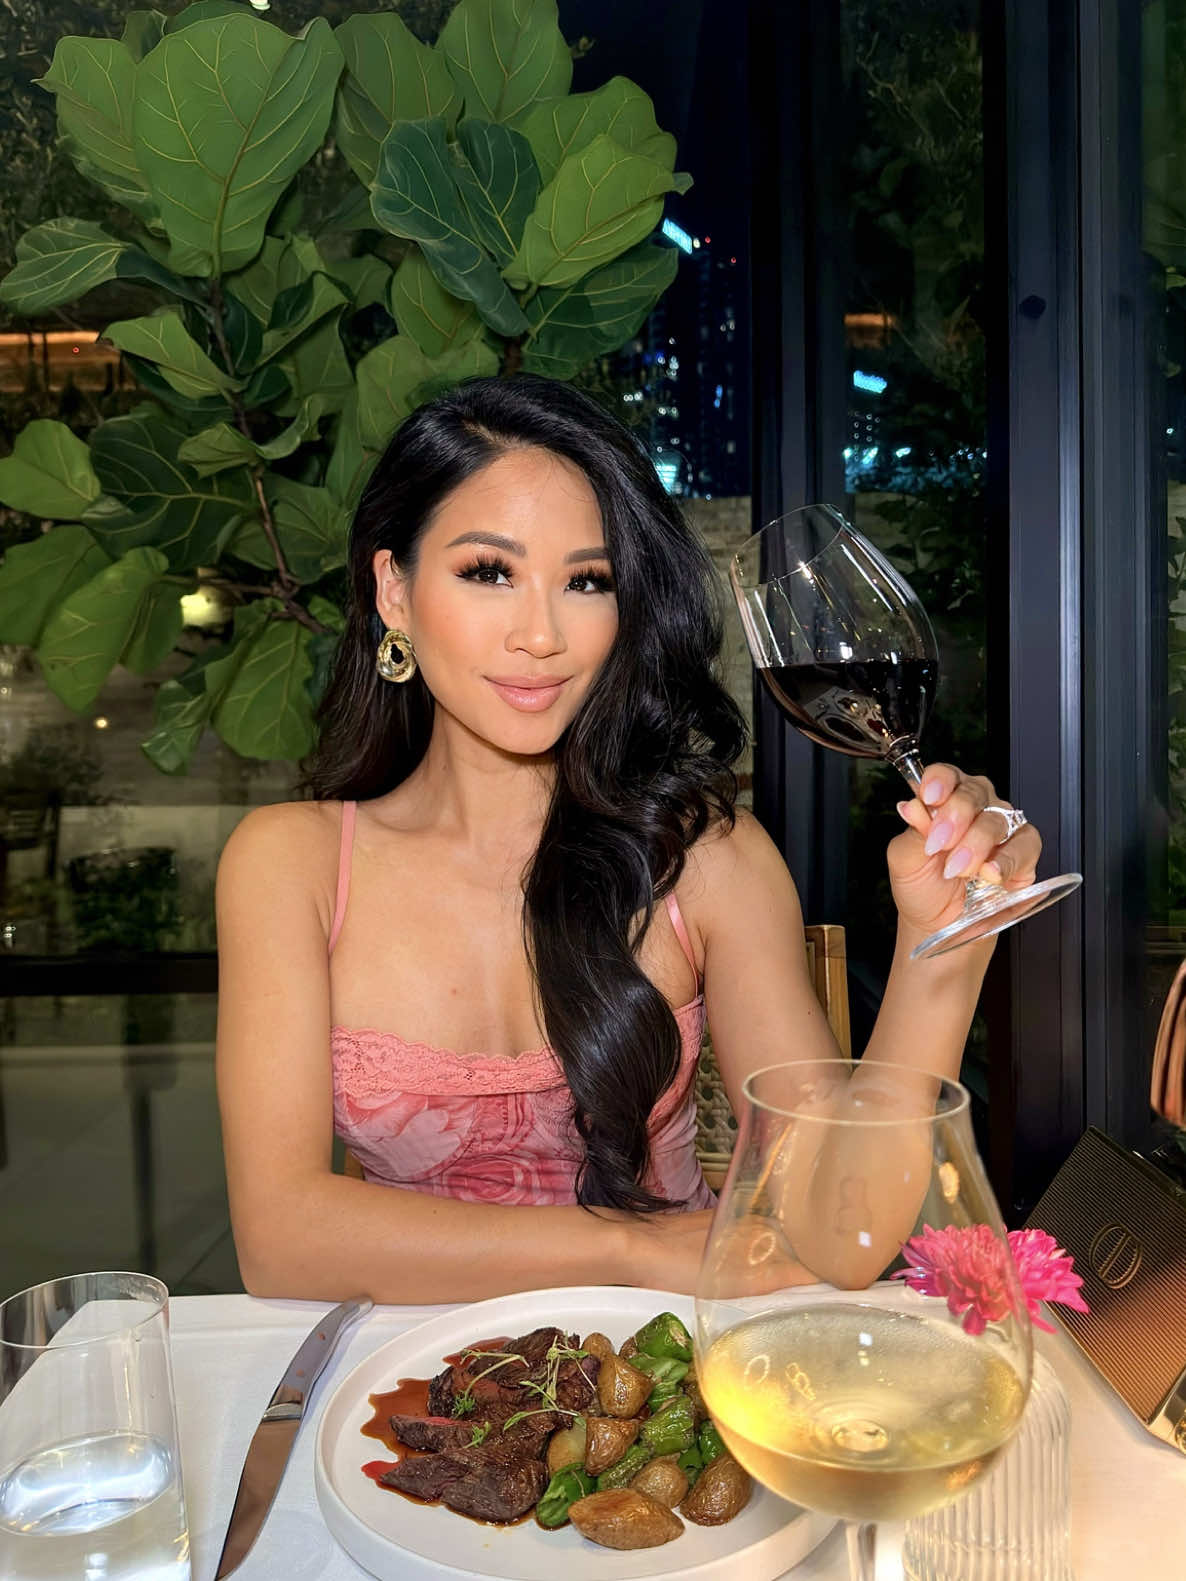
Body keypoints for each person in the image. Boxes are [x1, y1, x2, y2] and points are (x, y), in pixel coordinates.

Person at [215, 375, 1041, 1305]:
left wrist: (945, 946)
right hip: (407, 1376)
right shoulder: (291, 866)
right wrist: (626, 1245)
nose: (540, 634)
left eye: (586, 581)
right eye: (489, 571)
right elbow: (280, 1238)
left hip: (672, 1362)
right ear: (393, 591)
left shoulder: (706, 861)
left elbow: (839, 1237)